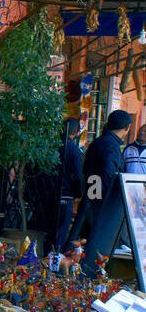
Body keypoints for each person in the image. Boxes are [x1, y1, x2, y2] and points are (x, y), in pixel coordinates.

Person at [80, 109, 132, 276]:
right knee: (99, 241)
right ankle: (92, 274)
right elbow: (109, 174)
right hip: (102, 200)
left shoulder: (99, 142)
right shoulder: (111, 145)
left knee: (89, 236)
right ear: (127, 128)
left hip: (93, 195)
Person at [52, 117, 84, 255]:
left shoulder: (49, 147)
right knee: (61, 232)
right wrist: (77, 193)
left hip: (48, 194)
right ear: (75, 133)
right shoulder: (74, 151)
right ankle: (55, 261)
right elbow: (78, 176)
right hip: (66, 194)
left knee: (48, 229)